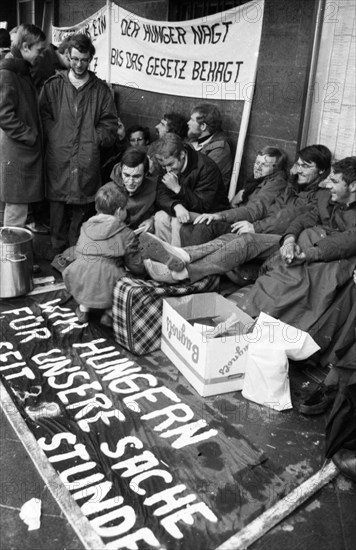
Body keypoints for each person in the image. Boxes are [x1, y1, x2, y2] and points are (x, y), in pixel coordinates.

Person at [142, 144, 331, 283]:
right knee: (223, 236)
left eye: (306, 166)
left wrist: (253, 226)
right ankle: (183, 255)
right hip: (267, 229)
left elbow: (284, 219)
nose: (299, 170)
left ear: (322, 171)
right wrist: (223, 215)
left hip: (285, 239)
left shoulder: (316, 195)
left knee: (243, 239)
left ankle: (185, 273)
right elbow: (265, 210)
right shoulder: (292, 186)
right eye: (298, 165)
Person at [39, 33, 118, 258]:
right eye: (75, 59)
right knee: (57, 206)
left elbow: (110, 123)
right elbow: (43, 116)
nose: (79, 64)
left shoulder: (100, 90)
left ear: (91, 58)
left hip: (86, 156)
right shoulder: (53, 85)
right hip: (59, 156)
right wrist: (55, 135)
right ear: (67, 56)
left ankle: (78, 253)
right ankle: (57, 252)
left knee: (81, 207)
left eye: (84, 60)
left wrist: (94, 137)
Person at [62, 182, 146, 327]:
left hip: (79, 278)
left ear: (96, 207)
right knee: (127, 275)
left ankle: (83, 310)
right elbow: (135, 266)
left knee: (91, 267)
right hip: (107, 283)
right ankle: (110, 313)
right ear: (120, 211)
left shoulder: (86, 226)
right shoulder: (126, 233)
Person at [181, 146, 289, 246]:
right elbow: (234, 204)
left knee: (205, 227)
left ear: (277, 168)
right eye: (257, 163)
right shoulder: (255, 181)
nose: (258, 168)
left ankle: (191, 262)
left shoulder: (276, 183)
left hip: (248, 227)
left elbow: (253, 211)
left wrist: (220, 216)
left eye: (264, 165)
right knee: (187, 227)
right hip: (237, 219)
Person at [0, 23, 46, 228]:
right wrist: (30, 135)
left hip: (20, 152)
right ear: (26, 47)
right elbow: (3, 115)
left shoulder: (19, 68)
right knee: (16, 210)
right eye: (39, 50)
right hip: (18, 152)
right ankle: (9, 258)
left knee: (17, 208)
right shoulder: (8, 72)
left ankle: (11, 254)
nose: (42, 55)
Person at [153, 133, 230, 246]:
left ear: (182, 154)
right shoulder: (167, 164)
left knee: (177, 221)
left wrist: (177, 189)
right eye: (164, 166)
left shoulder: (206, 168)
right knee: (160, 217)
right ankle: (162, 255)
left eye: (170, 164)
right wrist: (175, 205)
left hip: (209, 214)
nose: (167, 170)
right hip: (183, 208)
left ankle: (179, 258)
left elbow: (202, 205)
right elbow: (160, 195)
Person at [110, 147, 157, 233]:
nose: (131, 182)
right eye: (126, 175)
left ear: (145, 174)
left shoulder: (153, 187)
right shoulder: (109, 191)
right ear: (121, 170)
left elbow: (164, 208)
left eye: (136, 176)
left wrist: (152, 219)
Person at [187, 103, 233, 189]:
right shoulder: (193, 140)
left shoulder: (220, 148)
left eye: (192, 120)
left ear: (203, 126)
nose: (188, 123)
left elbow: (204, 177)